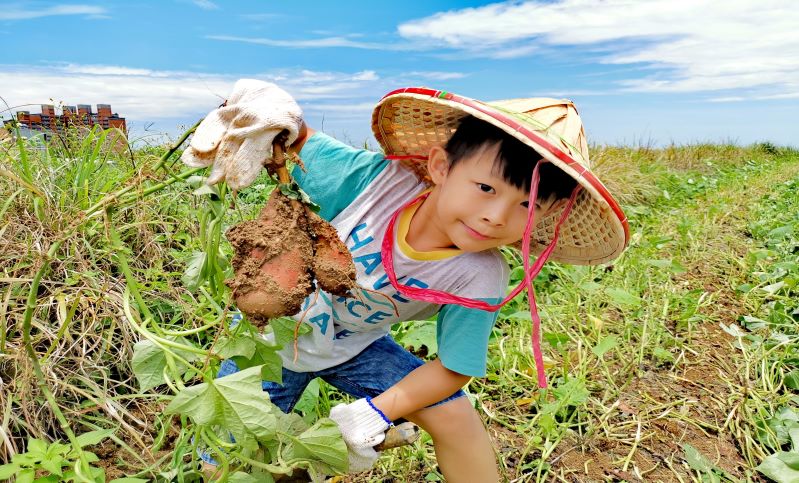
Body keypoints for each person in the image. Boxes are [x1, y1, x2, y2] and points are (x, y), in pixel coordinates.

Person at [183, 81, 628, 482]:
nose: (495, 217)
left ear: (545, 215)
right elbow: (291, 135)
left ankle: (354, 441)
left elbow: (455, 368)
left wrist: (377, 411)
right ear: (440, 166)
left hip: (352, 347)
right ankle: (308, 462)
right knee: (222, 464)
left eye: (526, 206)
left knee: (455, 418)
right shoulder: (373, 184)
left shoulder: (479, 275)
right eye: (486, 189)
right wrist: (267, 111)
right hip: (270, 345)